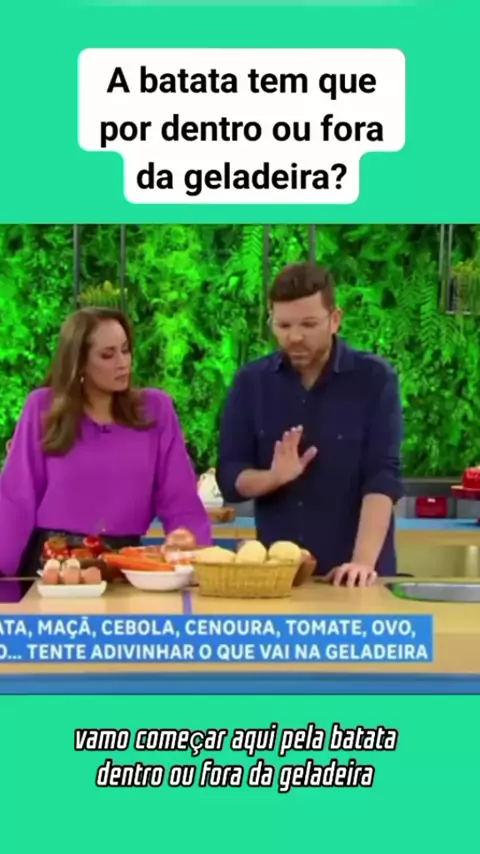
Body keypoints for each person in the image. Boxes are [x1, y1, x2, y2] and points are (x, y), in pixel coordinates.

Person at [217, 263, 404, 587]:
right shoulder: (251, 382)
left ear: (335, 319)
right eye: (283, 325)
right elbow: (231, 478)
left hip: (359, 578)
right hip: (279, 581)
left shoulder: (375, 379)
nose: (294, 337)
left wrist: (361, 563)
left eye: (308, 324)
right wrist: (273, 478)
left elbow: (382, 477)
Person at [0, 306, 212, 578]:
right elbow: (16, 499)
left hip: (127, 567)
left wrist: (188, 539)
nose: (123, 362)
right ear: (79, 362)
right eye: (107, 355)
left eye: (125, 350)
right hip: (53, 568)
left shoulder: (155, 410)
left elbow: (180, 498)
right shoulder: (43, 408)